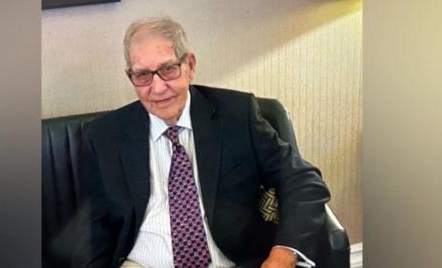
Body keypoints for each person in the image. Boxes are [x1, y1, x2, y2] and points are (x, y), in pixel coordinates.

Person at [73, 16, 330, 268]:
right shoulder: (105, 136)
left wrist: (283, 254)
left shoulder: (237, 115)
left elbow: (302, 180)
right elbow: (93, 227)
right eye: (143, 75)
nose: (158, 87)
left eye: (168, 69)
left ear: (190, 66)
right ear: (131, 77)